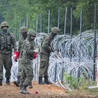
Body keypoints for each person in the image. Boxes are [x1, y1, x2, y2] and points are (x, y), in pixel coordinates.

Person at [20, 30, 37, 94]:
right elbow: (27, 51)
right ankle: (24, 87)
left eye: (34, 37)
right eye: (32, 37)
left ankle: (22, 88)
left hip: (25, 60)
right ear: (29, 36)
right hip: (26, 60)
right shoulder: (27, 43)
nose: (33, 38)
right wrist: (34, 51)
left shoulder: (30, 42)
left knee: (24, 75)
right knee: (30, 75)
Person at [0, 21, 17, 85]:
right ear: (1, 27)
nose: (5, 28)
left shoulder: (10, 35)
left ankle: (7, 79)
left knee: (8, 67)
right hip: (1, 53)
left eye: (6, 27)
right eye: (3, 27)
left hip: (8, 53)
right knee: (0, 67)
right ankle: (0, 79)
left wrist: (15, 51)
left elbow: (14, 43)